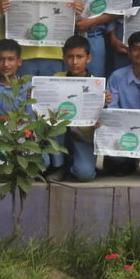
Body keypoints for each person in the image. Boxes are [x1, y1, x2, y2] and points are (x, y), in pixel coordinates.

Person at [51, 35, 113, 182]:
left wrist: (104, 106)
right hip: (59, 135)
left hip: (83, 136)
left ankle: (75, 165)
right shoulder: (55, 78)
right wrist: (34, 95)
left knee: (85, 174)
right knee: (54, 126)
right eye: (70, 57)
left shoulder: (96, 85)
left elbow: (106, 120)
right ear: (64, 58)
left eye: (79, 57)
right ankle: (59, 166)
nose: (74, 62)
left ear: (89, 58)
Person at [106, 31, 140, 177]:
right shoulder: (116, 77)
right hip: (126, 130)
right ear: (129, 53)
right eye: (136, 48)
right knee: (115, 157)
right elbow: (112, 110)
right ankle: (129, 160)